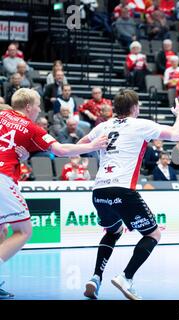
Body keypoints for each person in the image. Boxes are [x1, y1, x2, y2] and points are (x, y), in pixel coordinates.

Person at [80, 91, 179, 300]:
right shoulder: (140, 125)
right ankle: (126, 277)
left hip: (99, 191)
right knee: (153, 234)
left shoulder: (103, 126)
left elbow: (82, 145)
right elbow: (176, 135)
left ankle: (96, 277)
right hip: (122, 191)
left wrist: (95, 148)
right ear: (135, 108)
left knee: (113, 231)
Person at [0, 89, 107, 299]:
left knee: (1, 230)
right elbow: (60, 150)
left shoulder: (2, 115)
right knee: (23, 231)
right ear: (29, 107)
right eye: (38, 105)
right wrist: (92, 145)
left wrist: (18, 156)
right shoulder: (31, 127)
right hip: (2, 177)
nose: (40, 109)